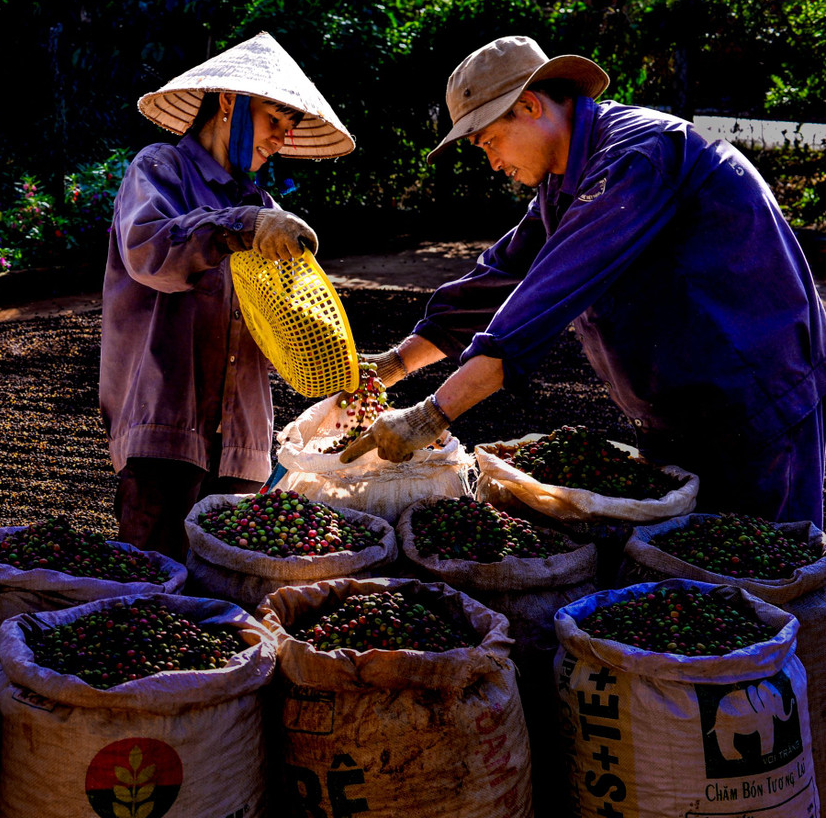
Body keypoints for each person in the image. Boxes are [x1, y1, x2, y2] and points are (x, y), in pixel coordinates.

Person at [343, 35, 826, 526]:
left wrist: (430, 416)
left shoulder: (635, 157)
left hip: (752, 406)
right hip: (675, 414)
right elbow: (502, 275)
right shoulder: (565, 180)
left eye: (489, 141)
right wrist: (392, 366)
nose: (492, 162)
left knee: (765, 570)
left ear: (529, 106)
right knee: (689, 570)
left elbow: (544, 297)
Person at [101, 32, 354, 559]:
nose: (281, 138)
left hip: (240, 446)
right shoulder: (160, 169)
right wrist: (242, 224)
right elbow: (150, 254)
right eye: (274, 119)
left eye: (289, 127)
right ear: (229, 102)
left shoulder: (260, 204)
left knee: (223, 605)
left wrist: (345, 363)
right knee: (156, 596)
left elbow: (283, 318)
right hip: (165, 431)